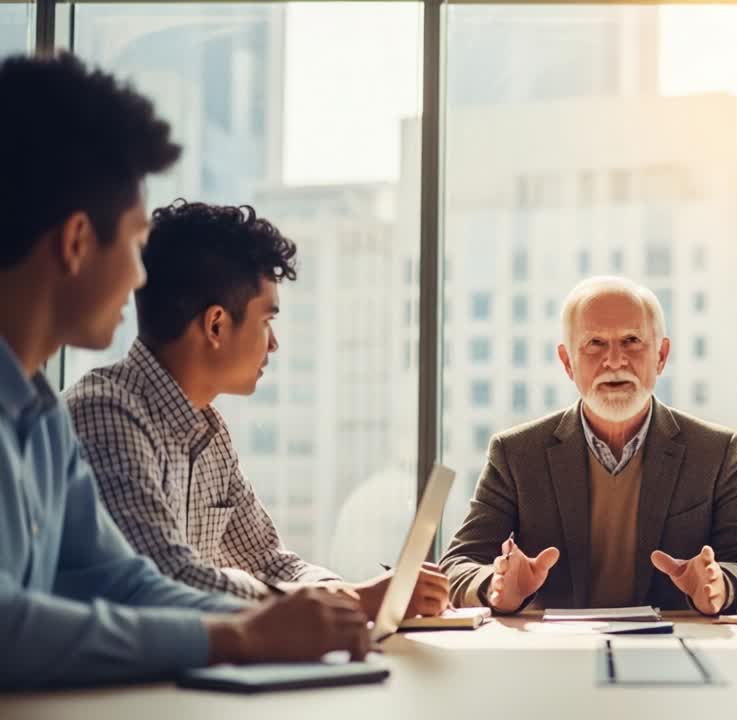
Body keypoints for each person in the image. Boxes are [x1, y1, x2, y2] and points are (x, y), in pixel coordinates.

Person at [0, 53, 368, 689]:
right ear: (77, 241)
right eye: (138, 245)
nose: (144, 279)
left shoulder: (41, 417)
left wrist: (284, 625)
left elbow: (122, 577)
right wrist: (242, 633)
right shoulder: (95, 409)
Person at [65, 199, 449, 621]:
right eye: (266, 321)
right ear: (215, 325)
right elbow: (166, 580)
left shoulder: (208, 431)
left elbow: (269, 560)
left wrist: (352, 594)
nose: (274, 343)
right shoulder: (106, 414)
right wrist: (351, 601)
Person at [440, 276, 737, 614]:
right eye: (595, 344)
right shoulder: (515, 454)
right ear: (567, 363)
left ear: (661, 356)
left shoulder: (715, 452)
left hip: (673, 653)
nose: (614, 360)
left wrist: (723, 585)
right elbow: (456, 566)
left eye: (632, 341)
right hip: (554, 658)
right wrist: (494, 586)